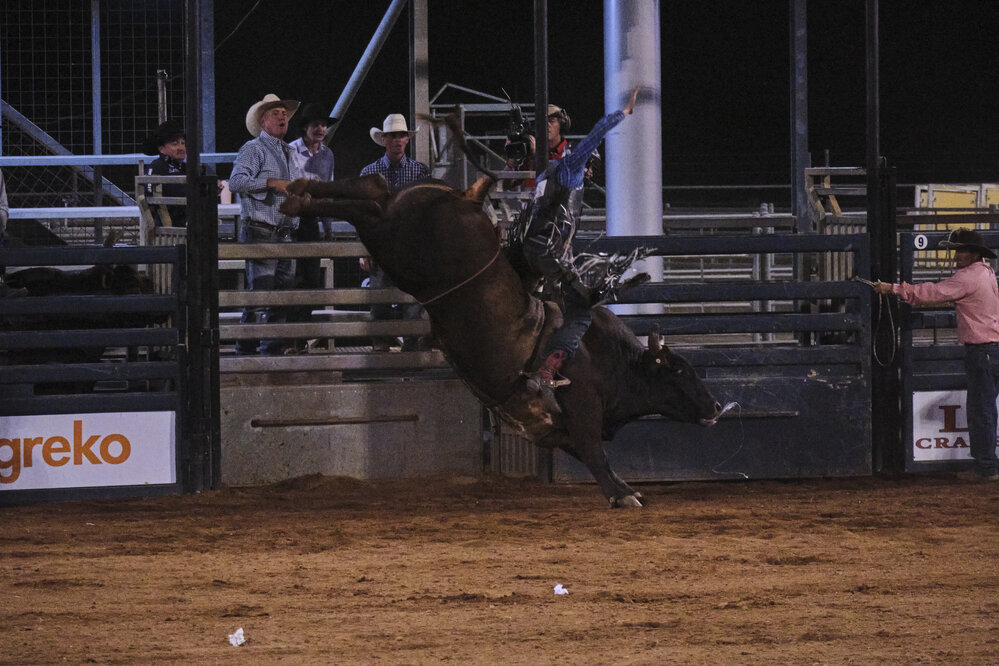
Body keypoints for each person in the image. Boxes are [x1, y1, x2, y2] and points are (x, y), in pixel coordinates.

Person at [523, 88, 639, 407]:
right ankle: (546, 371)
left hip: (529, 249)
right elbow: (597, 134)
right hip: (550, 255)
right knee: (582, 310)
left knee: (542, 307)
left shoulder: (544, 171)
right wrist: (623, 113)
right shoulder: (569, 165)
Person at [875, 227, 999, 482]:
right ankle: (987, 465)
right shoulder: (986, 272)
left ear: (973, 253)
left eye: (960, 251)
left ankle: (987, 468)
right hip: (992, 347)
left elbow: (934, 293)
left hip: (982, 350)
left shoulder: (967, 278)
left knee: (981, 409)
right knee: (985, 408)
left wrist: (895, 289)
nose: (956, 256)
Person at [228, 93, 301, 356]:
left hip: (284, 232)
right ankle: (246, 353)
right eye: (275, 113)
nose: (282, 116)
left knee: (280, 297)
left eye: (284, 113)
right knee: (260, 296)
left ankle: (270, 351)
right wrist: (271, 183)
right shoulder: (254, 148)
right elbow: (235, 182)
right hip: (262, 230)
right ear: (263, 122)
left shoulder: (289, 151)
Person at [359, 113, 431, 351]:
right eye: (393, 136)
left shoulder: (420, 171)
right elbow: (363, 215)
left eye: (401, 135)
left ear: (407, 140)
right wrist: (365, 248)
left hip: (409, 247)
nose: (398, 140)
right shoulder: (370, 172)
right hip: (382, 246)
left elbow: (425, 212)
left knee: (411, 302)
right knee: (380, 299)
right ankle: (381, 345)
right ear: (384, 140)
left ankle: (410, 346)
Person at [287, 103, 336, 344]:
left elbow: (327, 190)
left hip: (312, 219)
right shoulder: (290, 151)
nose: (320, 128)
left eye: (324, 125)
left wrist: (327, 226)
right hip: (293, 221)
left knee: (311, 279)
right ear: (305, 127)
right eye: (316, 124)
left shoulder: (327, 154)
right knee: (294, 278)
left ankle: (301, 338)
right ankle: (292, 338)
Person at [141, 120, 188, 227]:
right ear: (161, 149)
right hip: (168, 226)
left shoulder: (188, 168)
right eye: (175, 144)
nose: (181, 148)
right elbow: (150, 198)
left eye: (183, 143)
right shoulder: (156, 167)